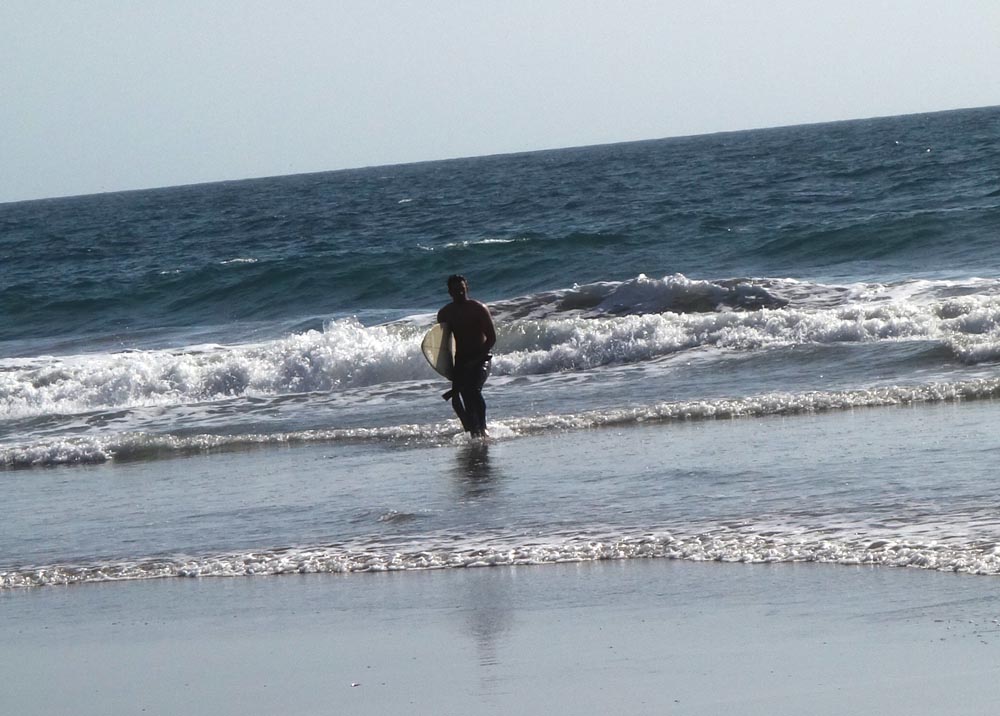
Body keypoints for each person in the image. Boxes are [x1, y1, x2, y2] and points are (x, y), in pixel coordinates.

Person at [437, 274, 496, 437]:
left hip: (482, 357)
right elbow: (443, 345)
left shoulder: (478, 308)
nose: (460, 293)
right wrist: (448, 368)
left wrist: (476, 360)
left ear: (467, 288)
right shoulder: (445, 314)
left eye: (462, 289)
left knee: (472, 390)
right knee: (457, 399)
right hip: (461, 361)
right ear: (449, 292)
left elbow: (492, 338)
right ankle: (471, 430)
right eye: (455, 291)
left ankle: (483, 428)